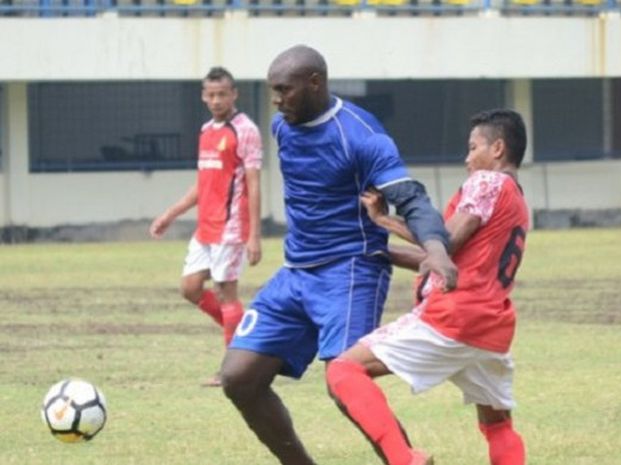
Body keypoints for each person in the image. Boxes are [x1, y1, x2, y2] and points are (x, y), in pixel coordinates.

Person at [219, 44, 457, 465]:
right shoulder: (281, 126)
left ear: (315, 83)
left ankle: (406, 460)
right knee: (238, 378)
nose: (276, 100)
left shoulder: (361, 135)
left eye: (284, 90)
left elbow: (410, 197)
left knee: (343, 380)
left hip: (350, 270)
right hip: (295, 272)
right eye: (272, 90)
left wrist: (436, 250)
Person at [326, 108, 530, 465]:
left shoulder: (488, 182)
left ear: (497, 148)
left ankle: (405, 460)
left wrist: (383, 219)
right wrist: (380, 251)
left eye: (472, 148)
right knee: (497, 424)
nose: (467, 159)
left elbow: (443, 242)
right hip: (490, 326)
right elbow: (439, 258)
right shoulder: (517, 200)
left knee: (343, 371)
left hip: (454, 316)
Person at [150, 66, 263, 386]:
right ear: (203, 96)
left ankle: (234, 370)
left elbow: (254, 184)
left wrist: (254, 235)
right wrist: (171, 213)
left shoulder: (245, 130)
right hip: (206, 227)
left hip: (231, 227)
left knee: (226, 293)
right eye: (210, 94)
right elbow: (204, 183)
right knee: (190, 288)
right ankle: (246, 339)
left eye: (222, 94)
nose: (216, 100)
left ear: (234, 94)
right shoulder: (206, 131)